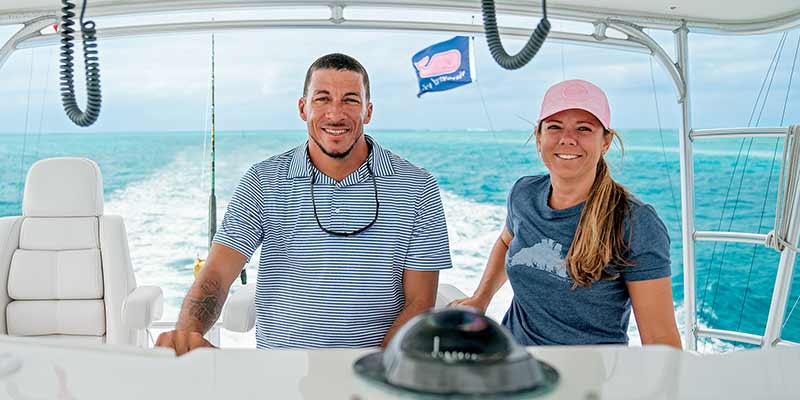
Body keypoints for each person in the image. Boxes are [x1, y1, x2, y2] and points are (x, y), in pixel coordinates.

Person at [157, 53, 452, 353]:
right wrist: (187, 334)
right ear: (303, 107)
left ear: (368, 111)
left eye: (350, 100)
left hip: (375, 370)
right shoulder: (263, 180)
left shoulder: (418, 187)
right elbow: (217, 275)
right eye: (322, 99)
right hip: (280, 371)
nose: (335, 114)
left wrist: (378, 369)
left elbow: (420, 300)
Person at [451, 79, 681, 348]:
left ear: (605, 141)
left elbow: (660, 339)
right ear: (539, 137)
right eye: (554, 127)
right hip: (512, 363)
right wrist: (481, 298)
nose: (568, 139)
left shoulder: (636, 222)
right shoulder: (523, 193)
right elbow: (506, 242)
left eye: (584, 128)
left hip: (592, 378)